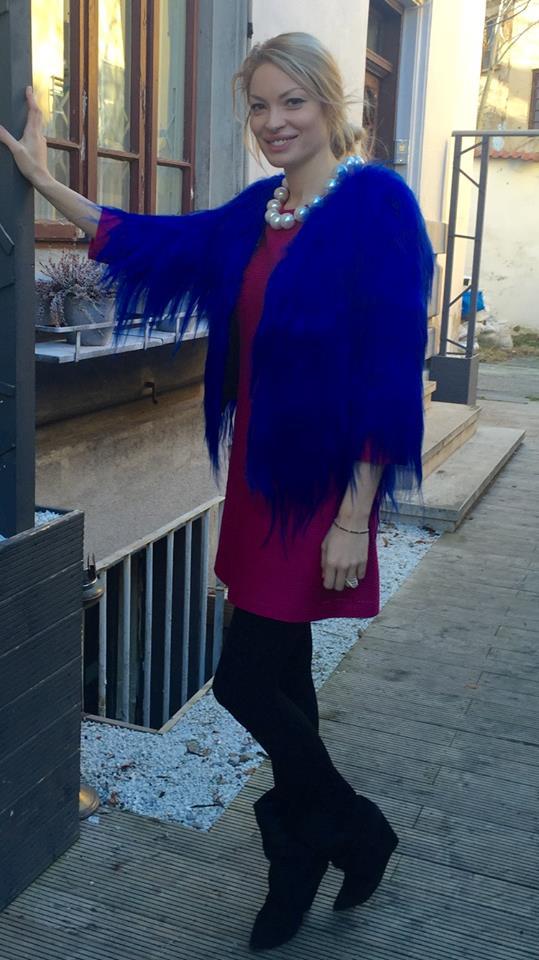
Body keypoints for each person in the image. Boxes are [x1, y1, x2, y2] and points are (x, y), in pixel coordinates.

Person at [0, 32, 434, 952]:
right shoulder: (261, 211)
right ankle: (305, 853)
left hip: (322, 491)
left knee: (240, 681)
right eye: (259, 106)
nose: (273, 122)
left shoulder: (377, 207)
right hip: (257, 482)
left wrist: (353, 517)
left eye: (292, 102)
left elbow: (390, 370)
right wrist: (43, 180)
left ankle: (348, 831)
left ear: (332, 105)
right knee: (280, 680)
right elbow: (153, 240)